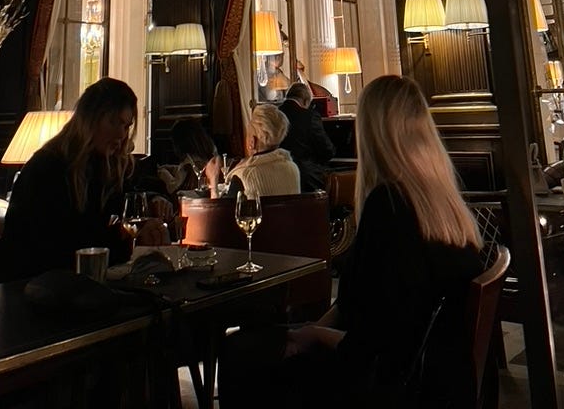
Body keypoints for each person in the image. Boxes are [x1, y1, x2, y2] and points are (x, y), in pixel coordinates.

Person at [218, 75, 484, 409]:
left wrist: (312, 335)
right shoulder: (444, 205)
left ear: (372, 134)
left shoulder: (389, 206)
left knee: (239, 353)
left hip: (386, 385)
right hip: (437, 380)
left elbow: (371, 341)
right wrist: (314, 328)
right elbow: (364, 308)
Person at [0, 78, 168, 283]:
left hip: (65, 284)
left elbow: (126, 200)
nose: (121, 134)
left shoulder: (107, 165)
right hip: (20, 284)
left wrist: (152, 205)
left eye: (126, 126)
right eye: (113, 122)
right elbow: (65, 245)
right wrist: (127, 239)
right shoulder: (49, 167)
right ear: (89, 119)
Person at [205, 103, 300, 198]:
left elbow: (224, 208)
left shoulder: (244, 176)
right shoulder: (293, 168)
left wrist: (213, 184)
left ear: (252, 142)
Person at [279, 82, 335, 192]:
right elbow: (327, 150)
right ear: (305, 101)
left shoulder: (275, 113)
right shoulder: (310, 116)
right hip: (306, 176)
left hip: (278, 172)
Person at [157, 118, 217, 195]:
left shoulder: (188, 164)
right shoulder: (207, 156)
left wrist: (163, 173)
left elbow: (173, 188)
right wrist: (172, 168)